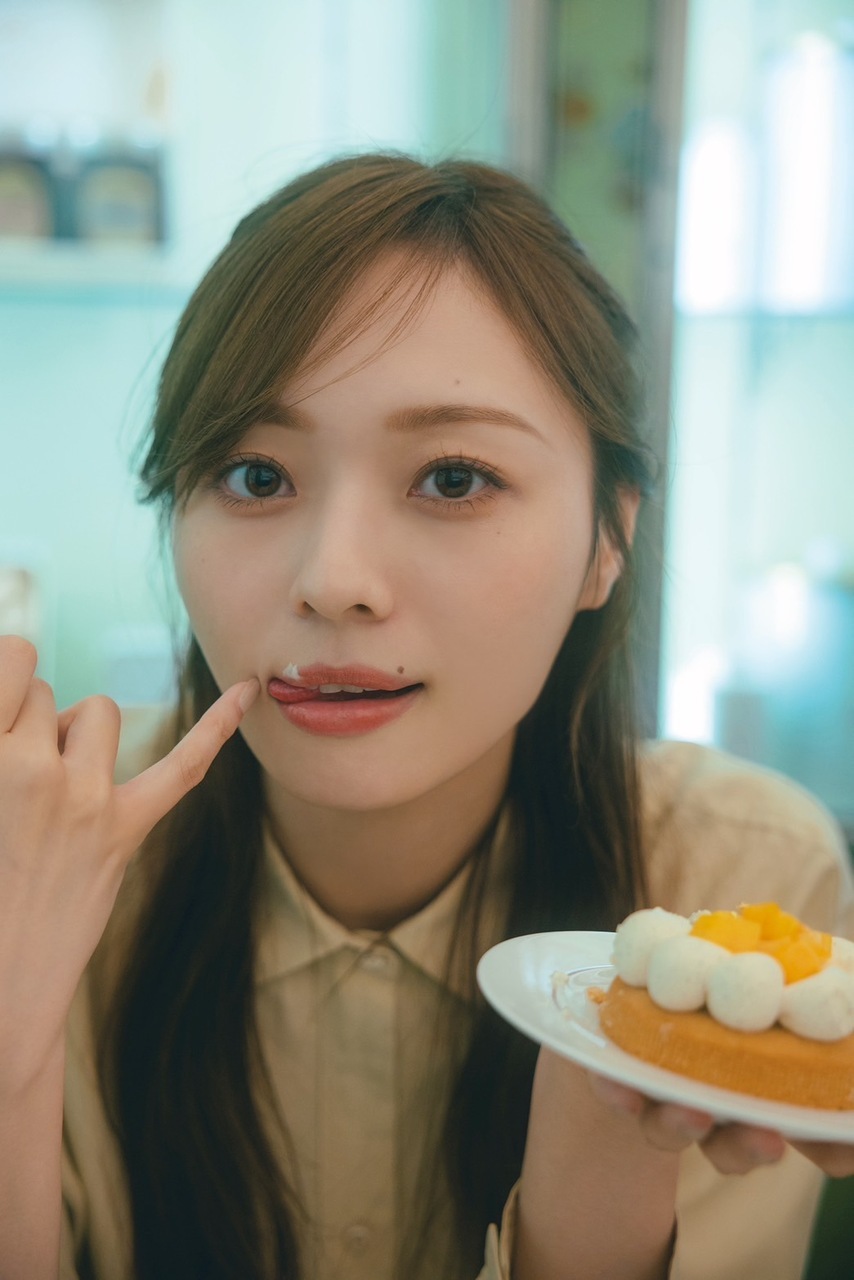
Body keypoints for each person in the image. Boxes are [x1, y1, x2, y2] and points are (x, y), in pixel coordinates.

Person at [1, 152, 853, 1280]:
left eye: (452, 478)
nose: (334, 581)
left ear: (607, 536)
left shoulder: (740, 886)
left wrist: (606, 1125)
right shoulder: (40, 863)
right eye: (255, 476)